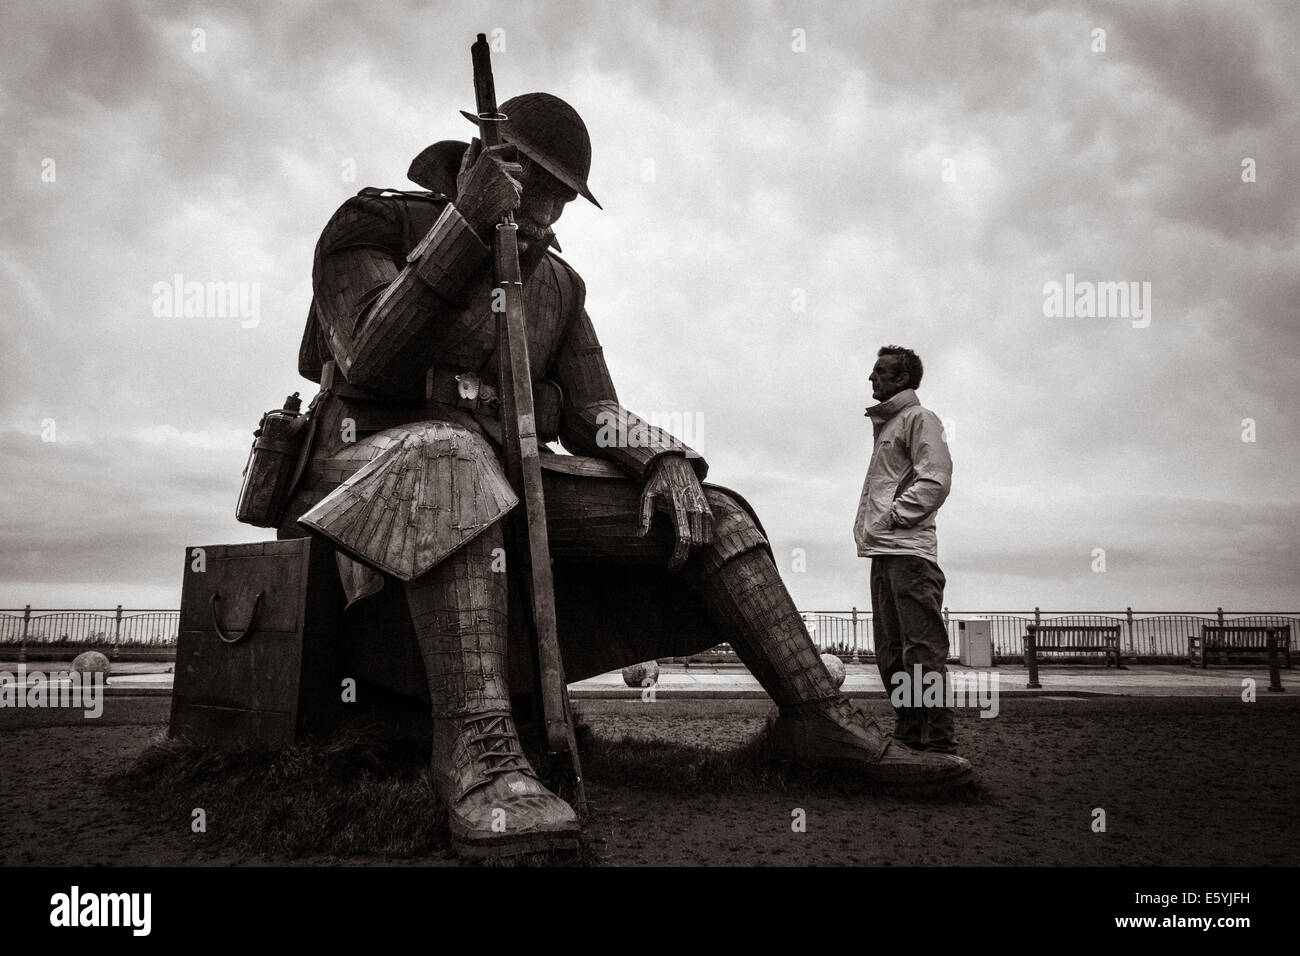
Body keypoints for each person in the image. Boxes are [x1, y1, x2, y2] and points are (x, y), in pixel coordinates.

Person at [281, 94, 971, 858]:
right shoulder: (373, 223)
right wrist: (467, 232)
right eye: (534, 188)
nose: (549, 216)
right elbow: (371, 357)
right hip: (364, 465)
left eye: (561, 201)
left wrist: (665, 458)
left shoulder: (558, 286)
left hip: (501, 473)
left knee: (717, 513)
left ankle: (816, 722)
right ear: (481, 158)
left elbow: (596, 412)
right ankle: (477, 753)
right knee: (450, 463)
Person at [855, 347, 959, 754]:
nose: (871, 378)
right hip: (885, 551)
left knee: (920, 649)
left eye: (880, 372)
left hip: (909, 553)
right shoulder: (890, 424)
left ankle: (937, 738)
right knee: (891, 651)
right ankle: (909, 731)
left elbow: (935, 478)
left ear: (902, 380)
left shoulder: (919, 418)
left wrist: (895, 518)